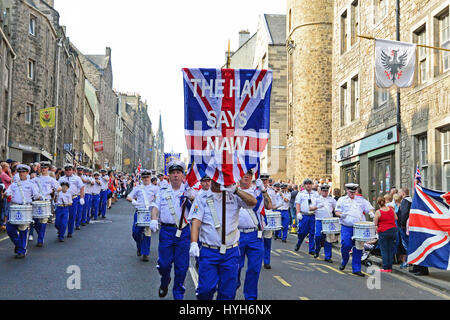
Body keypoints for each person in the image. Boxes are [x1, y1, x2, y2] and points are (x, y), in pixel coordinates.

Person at [188, 177, 257, 300]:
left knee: (228, 293)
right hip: (209, 251)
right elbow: (196, 221)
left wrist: (235, 190)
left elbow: (253, 202)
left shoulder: (233, 195)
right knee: (205, 290)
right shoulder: (202, 197)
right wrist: (194, 243)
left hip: (230, 252)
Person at [150, 161, 195, 300]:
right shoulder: (162, 191)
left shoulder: (189, 191)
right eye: (173, 173)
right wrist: (153, 219)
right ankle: (165, 281)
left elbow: (197, 209)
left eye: (178, 173)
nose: (175, 175)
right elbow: (155, 206)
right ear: (169, 176)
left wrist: (191, 198)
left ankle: (178, 295)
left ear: (183, 176)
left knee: (182, 268)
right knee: (163, 264)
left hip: (184, 233)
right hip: (167, 232)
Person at [235, 171, 268, 300]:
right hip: (237, 234)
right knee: (235, 267)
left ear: (252, 177)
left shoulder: (258, 192)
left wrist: (264, 190)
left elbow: (269, 205)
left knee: (254, 269)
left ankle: (250, 297)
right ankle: (234, 285)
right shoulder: (233, 191)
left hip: (255, 235)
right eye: (243, 172)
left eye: (249, 173)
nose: (246, 175)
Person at [335, 183, 372, 277]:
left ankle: (356, 268)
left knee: (358, 247)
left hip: (358, 227)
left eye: (354, 192)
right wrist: (340, 214)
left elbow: (370, 208)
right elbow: (337, 211)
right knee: (346, 245)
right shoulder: (342, 200)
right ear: (347, 190)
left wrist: (371, 213)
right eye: (350, 192)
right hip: (346, 226)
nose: (352, 193)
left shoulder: (361, 200)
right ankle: (344, 260)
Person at [5, 164, 41, 258]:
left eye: (23, 172)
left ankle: (21, 251)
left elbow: (36, 195)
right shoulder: (14, 184)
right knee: (9, 229)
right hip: (14, 207)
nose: (21, 174)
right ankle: (18, 244)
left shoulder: (31, 184)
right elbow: (8, 192)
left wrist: (38, 197)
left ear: (27, 173)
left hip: (25, 208)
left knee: (23, 229)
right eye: (20, 172)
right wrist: (7, 193)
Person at [127, 170, 156, 262]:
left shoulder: (155, 188)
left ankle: (145, 253)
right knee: (135, 233)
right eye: (144, 177)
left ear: (150, 178)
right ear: (142, 178)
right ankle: (139, 247)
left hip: (149, 212)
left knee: (147, 233)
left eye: (147, 177)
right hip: (139, 211)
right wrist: (133, 201)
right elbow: (129, 196)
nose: (146, 179)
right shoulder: (138, 188)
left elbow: (159, 199)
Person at [31, 161, 61, 247]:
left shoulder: (51, 179)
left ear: (48, 169)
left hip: (46, 201)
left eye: (45, 168)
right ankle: (40, 233)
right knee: (36, 221)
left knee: (43, 220)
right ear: (40, 169)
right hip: (37, 201)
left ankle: (40, 239)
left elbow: (59, 188)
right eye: (42, 168)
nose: (44, 169)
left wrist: (53, 190)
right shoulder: (35, 179)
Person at [58, 164, 85, 238]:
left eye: (70, 170)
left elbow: (82, 187)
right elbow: (57, 188)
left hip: (73, 198)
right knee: (61, 216)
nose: (68, 171)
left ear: (73, 170)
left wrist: (82, 197)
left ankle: (70, 231)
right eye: (66, 170)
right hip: (63, 199)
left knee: (72, 216)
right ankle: (61, 231)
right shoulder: (61, 179)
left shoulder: (77, 178)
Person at [373, 196, 398, 272]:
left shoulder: (378, 212)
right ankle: (390, 267)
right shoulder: (391, 210)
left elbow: (375, 223)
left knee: (384, 250)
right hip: (393, 231)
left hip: (383, 232)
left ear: (378, 203)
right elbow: (396, 218)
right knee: (390, 249)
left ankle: (386, 267)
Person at [313, 184, 336, 262]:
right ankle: (317, 250)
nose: (325, 193)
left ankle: (328, 256)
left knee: (328, 239)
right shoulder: (316, 199)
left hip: (328, 221)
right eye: (324, 191)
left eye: (326, 191)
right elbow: (310, 208)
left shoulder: (331, 199)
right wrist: (317, 207)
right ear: (321, 191)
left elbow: (336, 208)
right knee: (318, 236)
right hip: (319, 220)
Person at [295, 179, 319, 254]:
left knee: (312, 233)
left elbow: (318, 203)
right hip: (304, 215)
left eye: (309, 184)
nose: (308, 185)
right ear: (304, 185)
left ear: (311, 185)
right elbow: (297, 204)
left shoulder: (315, 194)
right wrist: (298, 213)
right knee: (302, 232)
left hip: (312, 215)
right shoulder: (301, 194)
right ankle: (299, 243)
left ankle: (311, 249)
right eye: (306, 184)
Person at [260, 174, 276, 269]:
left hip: (268, 216)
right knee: (258, 240)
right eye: (262, 180)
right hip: (259, 216)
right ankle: (258, 259)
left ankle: (267, 261)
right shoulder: (255, 190)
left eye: (266, 180)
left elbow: (272, 205)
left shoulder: (272, 192)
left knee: (267, 240)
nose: (264, 182)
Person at [397, 188, 412, 269]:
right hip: (407, 226)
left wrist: (402, 224)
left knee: (406, 244)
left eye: (399, 192)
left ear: (403, 193)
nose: (398, 193)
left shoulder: (405, 201)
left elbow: (404, 213)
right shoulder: (409, 200)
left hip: (404, 226)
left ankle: (407, 261)